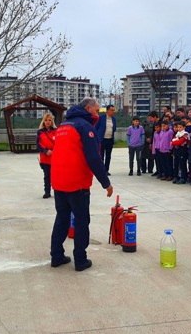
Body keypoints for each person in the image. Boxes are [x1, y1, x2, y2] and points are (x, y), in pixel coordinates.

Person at [50, 98, 113, 271]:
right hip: (77, 183)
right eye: (97, 110)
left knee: (61, 218)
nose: (98, 113)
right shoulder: (85, 127)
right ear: (88, 108)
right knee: (81, 220)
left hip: (58, 180)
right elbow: (93, 158)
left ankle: (56, 256)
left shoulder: (63, 126)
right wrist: (105, 182)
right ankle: (80, 259)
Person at [37, 113, 57, 199]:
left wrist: (53, 151)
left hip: (55, 157)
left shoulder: (56, 131)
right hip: (45, 157)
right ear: (43, 121)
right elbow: (38, 144)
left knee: (56, 176)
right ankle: (47, 192)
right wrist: (45, 151)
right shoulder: (40, 132)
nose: (48, 122)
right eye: (46, 120)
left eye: (49, 120)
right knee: (47, 176)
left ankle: (57, 191)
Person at [95, 105, 117, 175]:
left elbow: (114, 129)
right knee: (101, 155)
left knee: (108, 156)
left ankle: (106, 170)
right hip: (102, 139)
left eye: (114, 110)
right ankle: (101, 170)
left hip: (110, 140)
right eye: (111, 110)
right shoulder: (101, 118)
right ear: (107, 110)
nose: (113, 112)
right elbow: (96, 128)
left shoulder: (113, 119)